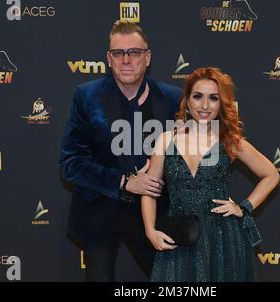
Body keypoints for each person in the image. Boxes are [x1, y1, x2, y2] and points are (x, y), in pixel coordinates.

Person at [59, 20, 182, 282]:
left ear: (147, 57)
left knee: (173, 282)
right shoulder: (86, 96)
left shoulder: (173, 99)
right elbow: (70, 163)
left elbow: (194, 156)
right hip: (99, 213)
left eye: (134, 52)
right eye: (118, 53)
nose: (126, 60)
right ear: (109, 58)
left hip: (156, 214)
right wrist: (125, 182)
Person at [141, 67, 280, 281]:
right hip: (179, 238)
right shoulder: (166, 140)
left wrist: (244, 207)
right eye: (198, 97)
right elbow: (149, 189)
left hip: (222, 240)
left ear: (221, 104)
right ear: (187, 101)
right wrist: (150, 230)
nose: (205, 105)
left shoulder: (230, 142)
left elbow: (271, 175)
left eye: (213, 98)